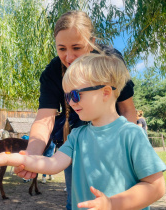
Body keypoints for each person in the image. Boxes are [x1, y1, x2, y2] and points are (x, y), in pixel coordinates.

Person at [0, 53, 166, 210]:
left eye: (76, 94)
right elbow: (51, 164)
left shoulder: (131, 134)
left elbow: (156, 187)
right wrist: (9, 159)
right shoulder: (77, 136)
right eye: (67, 96)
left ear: (105, 93)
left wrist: (111, 204)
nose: (71, 103)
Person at [14, 10, 137, 210]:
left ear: (92, 41)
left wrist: (126, 149)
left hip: (114, 144)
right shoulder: (52, 73)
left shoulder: (110, 61)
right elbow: (45, 119)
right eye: (61, 48)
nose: (69, 57)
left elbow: (128, 110)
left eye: (77, 47)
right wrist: (33, 155)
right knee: (79, 202)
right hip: (75, 145)